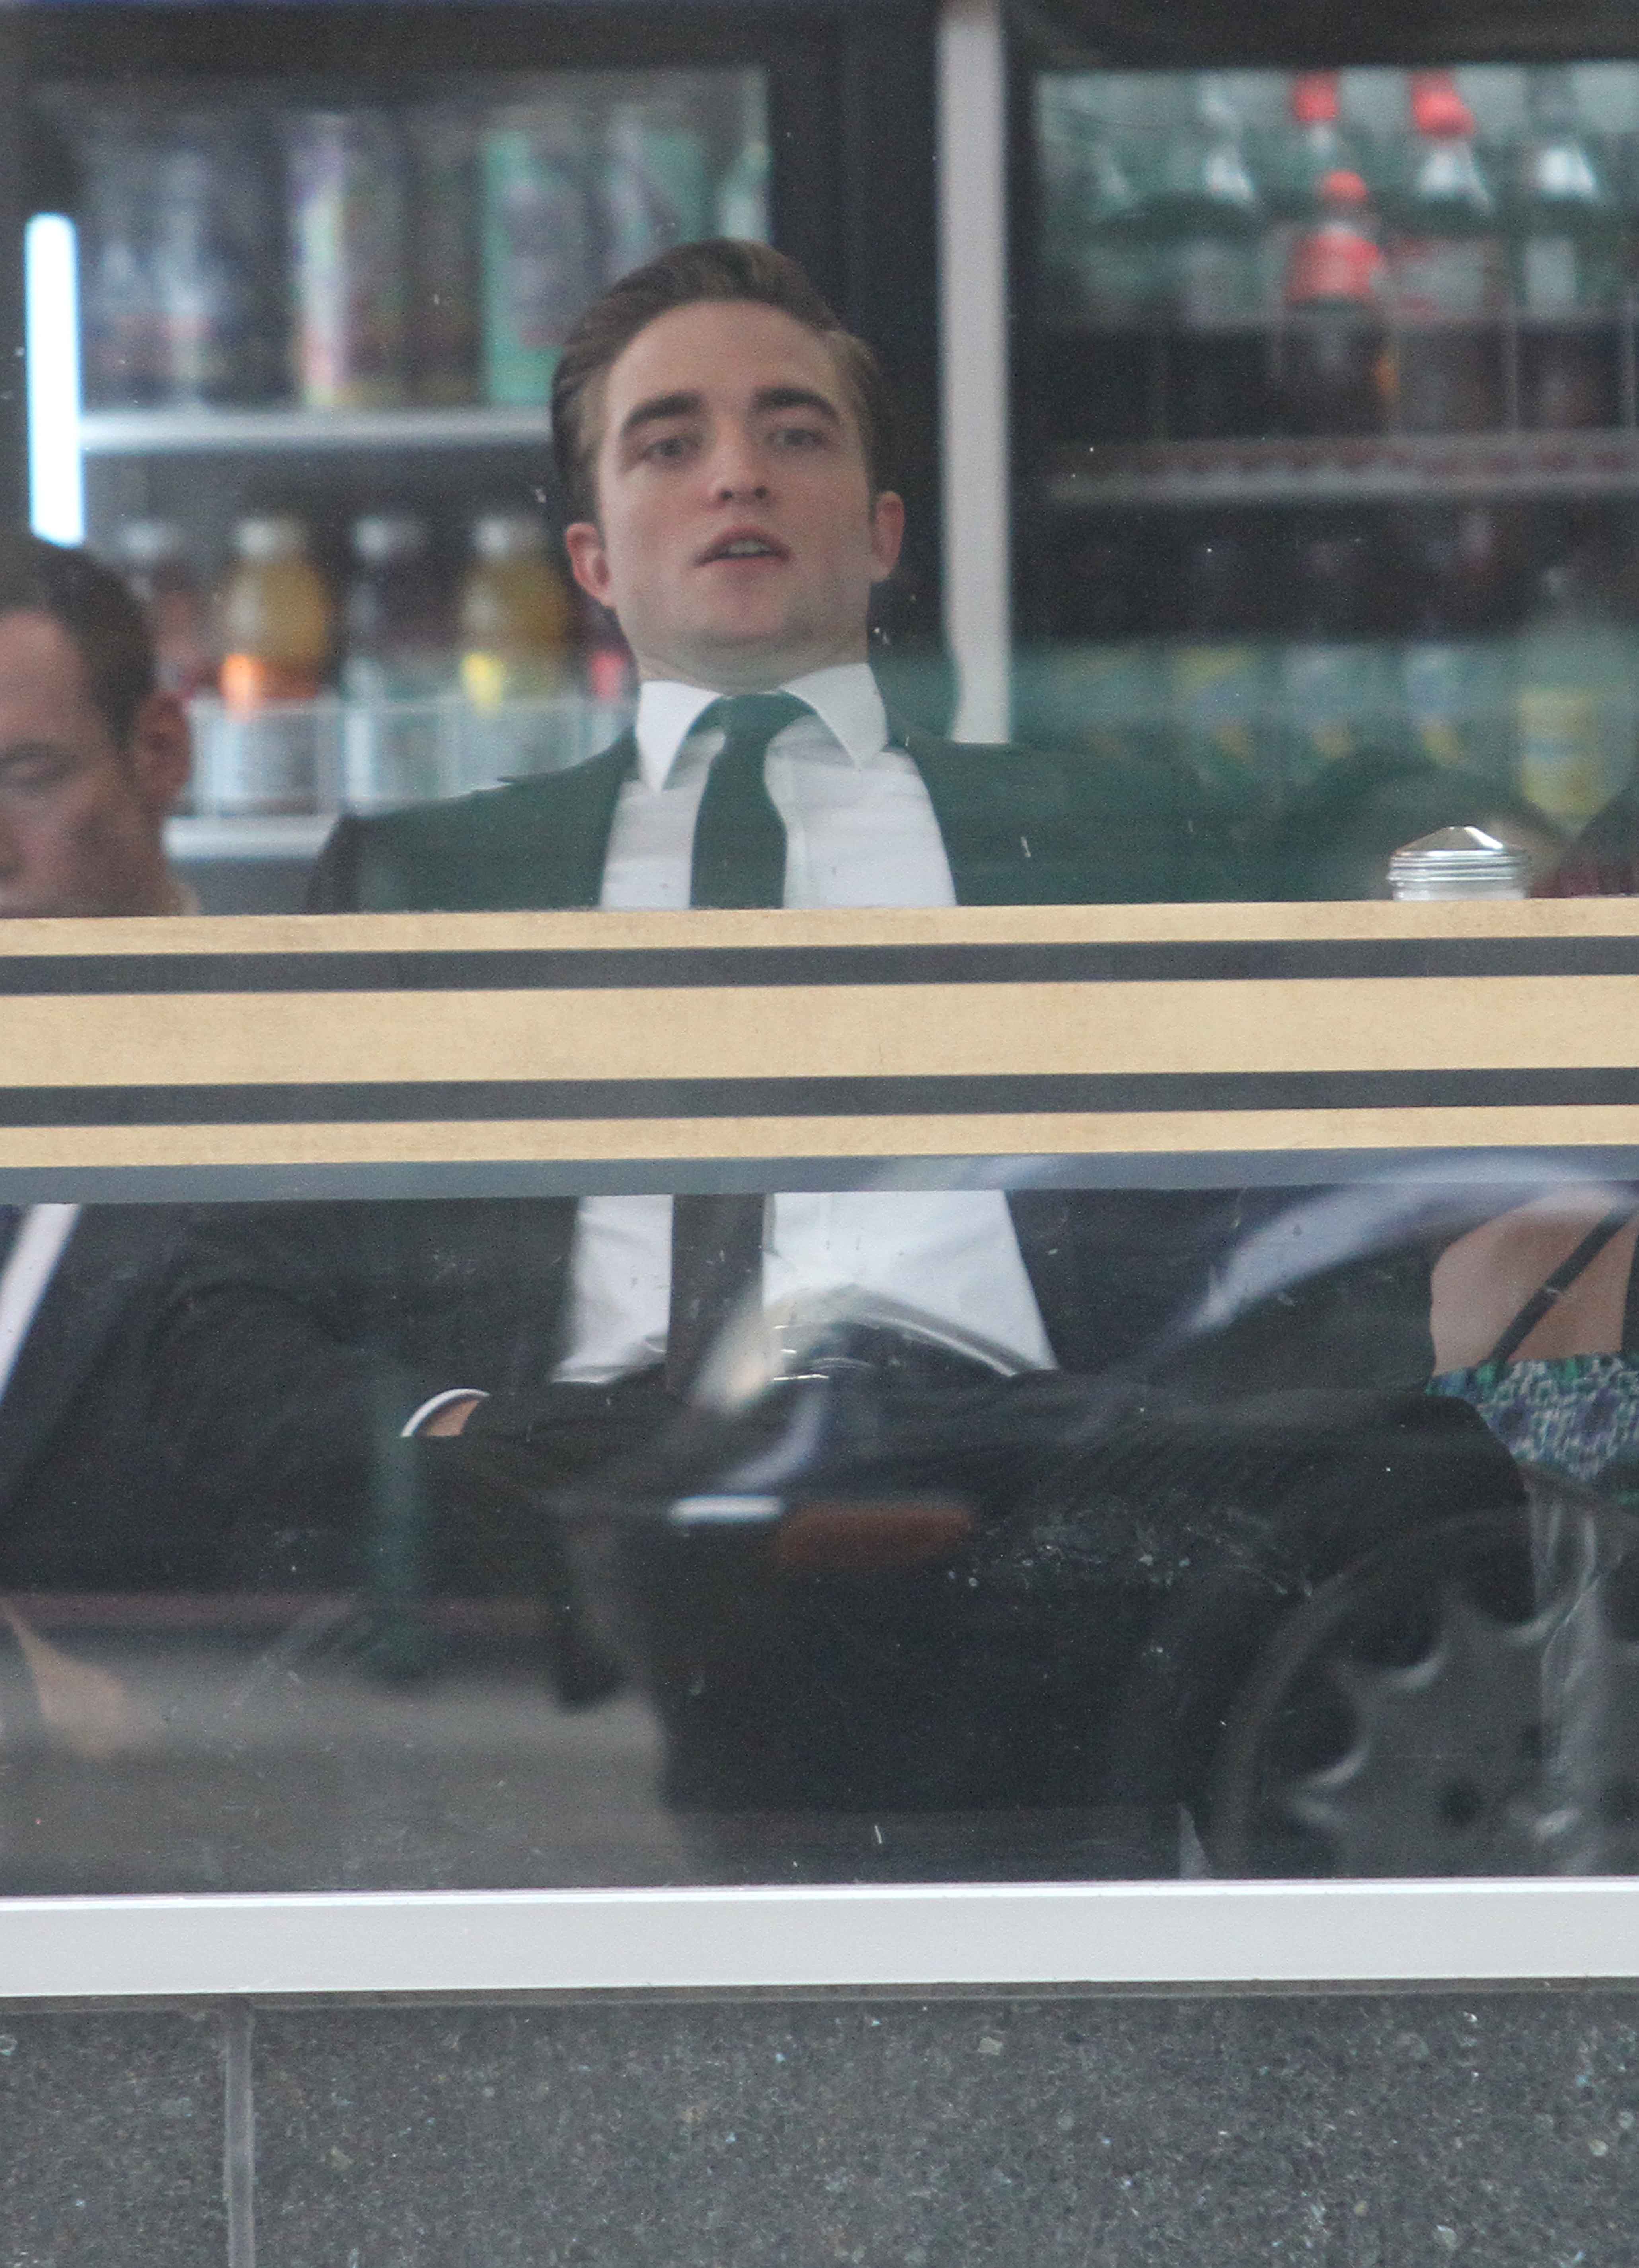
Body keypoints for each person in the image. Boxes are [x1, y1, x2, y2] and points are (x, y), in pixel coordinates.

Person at [146, 247, 1508, 1843]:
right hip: (578, 1545)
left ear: (880, 532)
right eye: (669, 442)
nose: (736, 472)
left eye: (793, 432)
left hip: (1052, 1526)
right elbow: (214, 1310)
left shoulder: (1112, 825)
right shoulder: (426, 877)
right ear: (592, 557)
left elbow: (1368, 850)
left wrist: (1494, 855)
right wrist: (439, 1443)